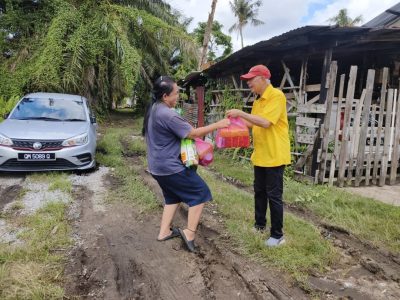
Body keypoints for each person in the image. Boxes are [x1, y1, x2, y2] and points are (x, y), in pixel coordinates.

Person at [144, 76, 230, 252]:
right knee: (200, 193)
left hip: (157, 167)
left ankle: (164, 232)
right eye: (176, 93)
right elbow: (192, 133)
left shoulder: (154, 109)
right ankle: (189, 233)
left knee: (172, 196)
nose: (178, 96)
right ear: (165, 96)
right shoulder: (167, 114)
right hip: (170, 168)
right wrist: (219, 124)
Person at [226, 65, 291, 247]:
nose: (248, 83)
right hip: (261, 154)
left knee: (274, 195)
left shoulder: (277, 96)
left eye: (251, 80)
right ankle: (260, 225)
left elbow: (265, 122)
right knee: (259, 193)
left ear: (263, 78)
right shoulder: (258, 100)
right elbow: (252, 123)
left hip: (275, 155)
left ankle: (278, 236)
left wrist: (241, 112)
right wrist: (233, 121)